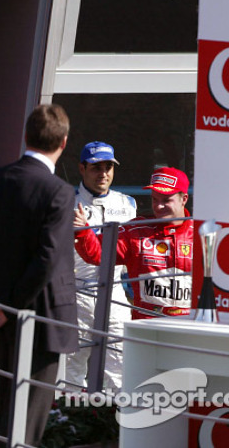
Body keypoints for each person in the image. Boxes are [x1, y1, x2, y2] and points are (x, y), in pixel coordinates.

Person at [0, 103, 78, 448]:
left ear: (26, 137)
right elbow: (48, 259)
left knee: (9, 404)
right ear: (64, 143)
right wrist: (5, 306)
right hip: (40, 316)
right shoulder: (59, 191)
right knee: (29, 414)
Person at [74, 166, 193, 320]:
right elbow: (98, 255)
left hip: (190, 325)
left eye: (166, 200)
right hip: (146, 327)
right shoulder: (136, 230)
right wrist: (83, 231)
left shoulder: (200, 233)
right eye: (154, 199)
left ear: (184, 199)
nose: (158, 206)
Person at [65, 141, 136, 392]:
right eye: (96, 167)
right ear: (82, 168)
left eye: (108, 167)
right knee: (72, 367)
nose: (103, 173)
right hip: (78, 293)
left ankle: (113, 425)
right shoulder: (66, 205)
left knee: (119, 365)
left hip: (115, 293)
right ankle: (69, 424)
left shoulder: (128, 204)